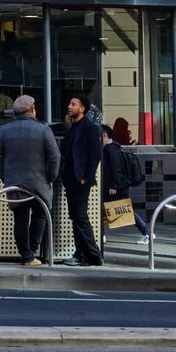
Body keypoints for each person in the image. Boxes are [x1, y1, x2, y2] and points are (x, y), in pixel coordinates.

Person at [0, 94, 59, 266]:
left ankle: (26, 254)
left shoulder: (5, 130)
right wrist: (50, 177)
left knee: (20, 218)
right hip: (39, 182)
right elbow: (54, 157)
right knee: (40, 215)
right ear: (32, 110)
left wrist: (6, 176)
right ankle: (33, 250)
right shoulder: (43, 129)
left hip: (15, 182)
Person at [58, 94, 106, 267]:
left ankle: (93, 254)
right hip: (71, 179)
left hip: (80, 180)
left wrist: (87, 176)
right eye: (69, 103)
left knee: (80, 216)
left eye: (73, 104)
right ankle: (80, 254)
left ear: (82, 108)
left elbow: (95, 155)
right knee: (76, 217)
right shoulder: (73, 127)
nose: (69, 106)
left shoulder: (89, 128)